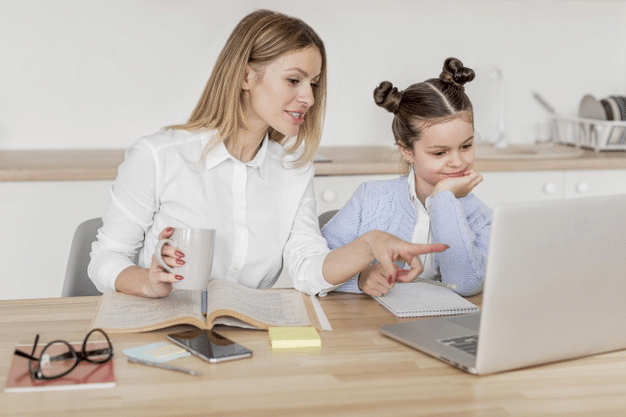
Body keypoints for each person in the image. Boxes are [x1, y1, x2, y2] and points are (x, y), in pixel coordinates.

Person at [88, 9, 446, 298]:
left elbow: (308, 268)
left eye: (314, 84)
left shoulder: (292, 170)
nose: (309, 97)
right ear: (246, 76)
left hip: (244, 337)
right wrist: (148, 281)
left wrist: (372, 244)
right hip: (165, 330)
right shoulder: (158, 155)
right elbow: (105, 258)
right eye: (294, 80)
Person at [322, 57, 492, 297]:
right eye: (440, 152)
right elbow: (319, 265)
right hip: (372, 324)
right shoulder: (370, 197)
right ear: (406, 151)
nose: (457, 161)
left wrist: (443, 199)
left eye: (466, 146)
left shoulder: (481, 217)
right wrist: (359, 279)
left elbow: (465, 284)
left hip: (443, 326)